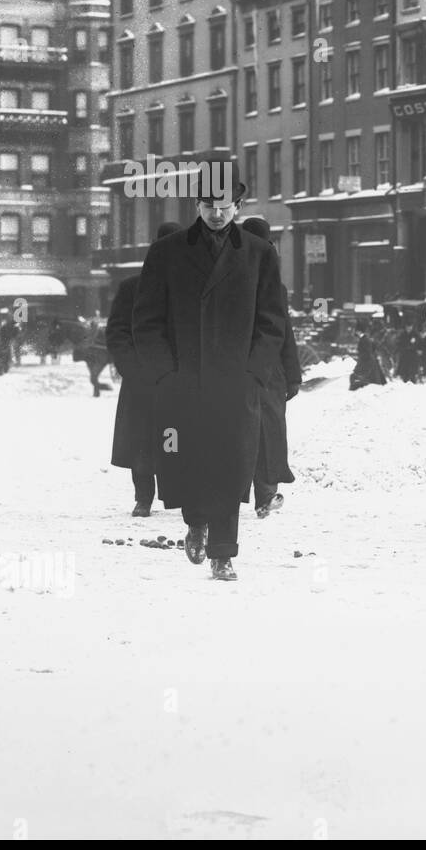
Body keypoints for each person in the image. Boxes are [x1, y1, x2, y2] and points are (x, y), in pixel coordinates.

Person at [132, 170, 288, 582]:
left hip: (237, 383)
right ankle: (195, 521)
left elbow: (273, 321)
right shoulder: (167, 252)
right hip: (183, 382)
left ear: (238, 207)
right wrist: (164, 371)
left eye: (224, 208)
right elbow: (145, 320)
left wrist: (255, 371)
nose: (216, 214)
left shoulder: (259, 254)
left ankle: (223, 552)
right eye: (208, 207)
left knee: (233, 465)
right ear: (195, 207)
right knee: (186, 460)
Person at [107, 221, 182, 516]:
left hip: (179, 381)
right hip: (142, 381)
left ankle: (177, 494)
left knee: (175, 439)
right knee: (141, 441)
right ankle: (143, 497)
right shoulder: (131, 288)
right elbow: (117, 332)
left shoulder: (192, 290)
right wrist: (132, 367)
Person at [240, 217, 301, 517]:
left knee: (269, 432)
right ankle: (240, 495)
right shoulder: (231, 278)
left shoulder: (276, 286)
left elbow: (284, 331)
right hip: (241, 369)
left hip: (270, 373)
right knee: (247, 433)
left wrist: (293, 375)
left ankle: (265, 495)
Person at [349, 318, 387, 390]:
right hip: (369, 361)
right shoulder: (366, 339)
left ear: (358, 331)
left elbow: (366, 353)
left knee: (362, 378)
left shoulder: (364, 340)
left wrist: (361, 362)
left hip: (366, 362)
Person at [81, 315, 110, 396]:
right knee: (94, 376)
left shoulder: (100, 330)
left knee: (93, 377)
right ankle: (97, 390)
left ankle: (98, 389)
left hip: (102, 352)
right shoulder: (90, 334)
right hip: (94, 352)